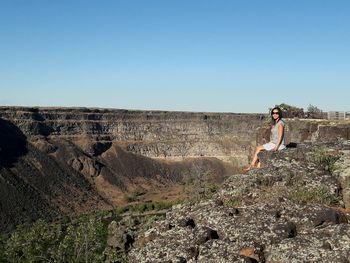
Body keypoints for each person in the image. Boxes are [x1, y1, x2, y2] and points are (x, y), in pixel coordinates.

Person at [244, 106, 286, 172]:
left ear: (279, 114)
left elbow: (280, 136)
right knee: (261, 152)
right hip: (273, 143)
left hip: (279, 145)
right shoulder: (275, 123)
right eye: (273, 113)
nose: (275, 114)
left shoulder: (280, 123)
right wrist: (270, 142)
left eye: (277, 113)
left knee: (258, 148)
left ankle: (251, 166)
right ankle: (257, 167)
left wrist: (276, 147)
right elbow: (274, 135)